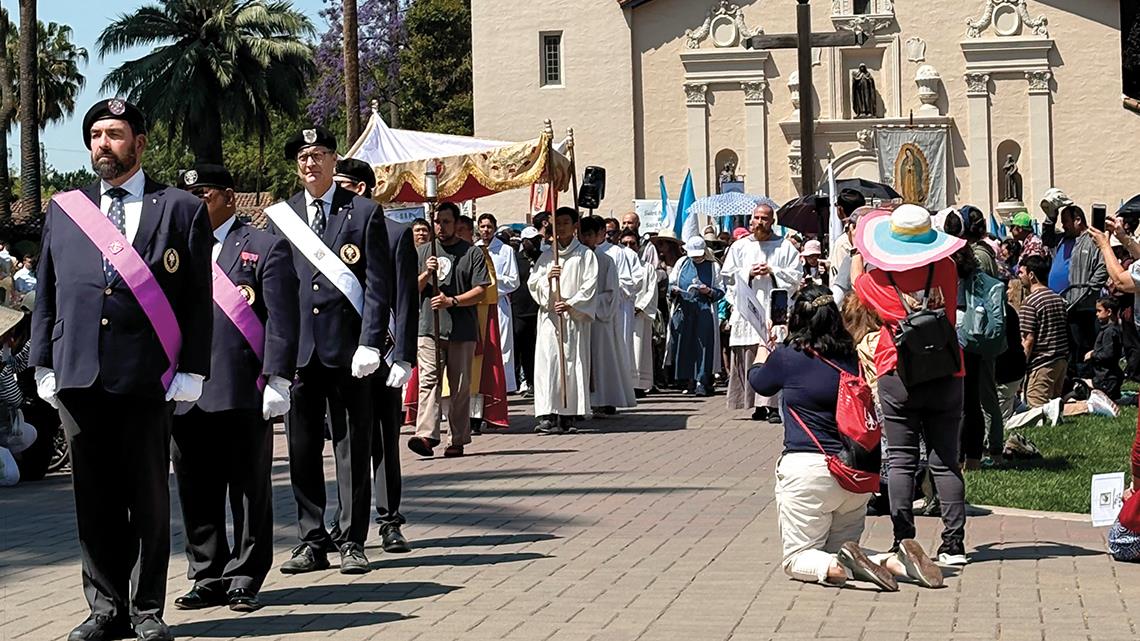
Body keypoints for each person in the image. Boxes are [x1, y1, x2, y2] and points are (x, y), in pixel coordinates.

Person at [31, 98, 214, 641]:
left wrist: (193, 369)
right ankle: (105, 608)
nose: (101, 144)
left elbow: (197, 299)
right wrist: (42, 362)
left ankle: (147, 609)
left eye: (113, 133)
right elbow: (47, 291)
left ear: (140, 141)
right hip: (78, 373)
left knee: (148, 496)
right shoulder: (65, 209)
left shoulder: (179, 208)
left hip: (147, 374)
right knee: (94, 496)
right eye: (94, 135)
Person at [749, 285, 943, 591]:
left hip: (809, 471)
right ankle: (896, 562)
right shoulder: (849, 355)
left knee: (798, 558)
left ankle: (839, 567)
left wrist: (764, 349)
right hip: (854, 474)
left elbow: (760, 383)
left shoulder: (789, 356)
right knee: (842, 547)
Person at [169, 164, 298, 613]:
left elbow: (282, 319)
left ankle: (245, 573)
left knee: (248, 488)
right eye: (189, 196)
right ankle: (207, 573)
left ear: (228, 196)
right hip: (185, 391)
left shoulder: (263, 247)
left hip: (243, 386)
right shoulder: (174, 247)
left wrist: (278, 377)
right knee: (194, 487)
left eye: (202, 194)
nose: (194, 203)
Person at [268, 126, 392, 576]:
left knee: (353, 446)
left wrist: (371, 342)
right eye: (303, 157)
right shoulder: (280, 218)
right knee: (300, 449)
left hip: (348, 351)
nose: (310, 163)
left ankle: (353, 539)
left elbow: (380, 286)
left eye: (318, 154)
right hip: (299, 353)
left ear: (334, 160)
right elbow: (276, 289)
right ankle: (310, 538)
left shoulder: (363, 213)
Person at [852, 204, 969, 566]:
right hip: (948, 371)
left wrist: (860, 250)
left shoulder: (877, 281)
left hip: (897, 372)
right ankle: (954, 545)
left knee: (901, 460)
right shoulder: (946, 268)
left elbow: (855, 278)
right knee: (945, 459)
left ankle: (904, 540)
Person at [331, 158, 417, 553]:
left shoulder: (397, 232)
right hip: (340, 354)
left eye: (343, 184)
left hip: (381, 353)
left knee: (384, 438)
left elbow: (404, 298)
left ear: (361, 188)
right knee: (345, 441)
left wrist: (403, 355)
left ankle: (388, 519)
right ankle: (344, 519)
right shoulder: (325, 231)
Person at [407, 202, 490, 458]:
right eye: (437, 221)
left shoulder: (472, 253)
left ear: (456, 224)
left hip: (461, 329)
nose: (441, 227)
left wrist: (452, 301)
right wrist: (426, 274)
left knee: (459, 386)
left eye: (446, 221)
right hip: (429, 327)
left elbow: (480, 290)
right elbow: (411, 289)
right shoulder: (422, 252)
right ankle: (426, 435)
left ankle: (458, 437)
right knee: (428, 381)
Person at [720, 201, 803, 423]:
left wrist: (773, 271)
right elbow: (727, 276)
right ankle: (756, 404)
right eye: (756, 217)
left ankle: (773, 405)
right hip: (749, 308)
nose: (759, 222)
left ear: (772, 221)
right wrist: (748, 272)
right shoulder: (739, 247)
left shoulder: (785, 247)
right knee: (749, 356)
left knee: (773, 354)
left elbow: (796, 277)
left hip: (774, 309)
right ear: (750, 220)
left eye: (764, 218)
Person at [528, 207, 598, 434]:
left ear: (575, 225)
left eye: (566, 222)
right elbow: (533, 283)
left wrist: (571, 303)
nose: (562, 227)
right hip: (550, 318)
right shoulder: (548, 255)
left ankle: (568, 414)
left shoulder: (585, 255)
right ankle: (547, 413)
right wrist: (547, 280)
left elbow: (590, 286)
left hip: (572, 318)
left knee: (571, 363)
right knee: (549, 364)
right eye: (557, 223)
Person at [1042, 204, 1107, 380]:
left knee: (1082, 346)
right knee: (1067, 347)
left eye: (1066, 222)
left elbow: (1103, 266)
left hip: (1082, 306)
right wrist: (1051, 215)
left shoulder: (1093, 239)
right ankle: (1069, 380)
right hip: (1062, 306)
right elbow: (1046, 238)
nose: (1063, 226)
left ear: (1078, 220)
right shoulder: (1062, 240)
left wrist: (1089, 288)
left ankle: (1084, 381)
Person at [579, 216, 636, 411]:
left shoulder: (606, 260)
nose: (585, 239)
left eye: (589, 235)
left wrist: (588, 303)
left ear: (598, 236)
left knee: (601, 360)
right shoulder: (575, 258)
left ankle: (603, 399)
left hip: (598, 318)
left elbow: (612, 293)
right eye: (582, 235)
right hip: (578, 319)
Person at [670, 237, 724, 396]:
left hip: (704, 309)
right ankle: (688, 380)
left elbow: (721, 290)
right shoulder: (682, 263)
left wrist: (708, 291)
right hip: (685, 308)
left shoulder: (714, 266)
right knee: (686, 344)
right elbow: (672, 282)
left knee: (704, 345)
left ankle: (703, 380)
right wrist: (674, 290)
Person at [1018, 255, 1070, 408]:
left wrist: (1021, 367)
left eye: (1021, 273)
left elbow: (1028, 339)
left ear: (1031, 275)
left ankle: (1089, 406)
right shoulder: (1057, 298)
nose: (1019, 277)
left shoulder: (1030, 302)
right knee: (1054, 408)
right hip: (1060, 361)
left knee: (1038, 411)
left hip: (1042, 365)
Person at [476, 213, 520, 393]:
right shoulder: (474, 249)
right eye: (482, 226)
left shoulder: (505, 250)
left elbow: (513, 280)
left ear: (494, 228)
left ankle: (505, 385)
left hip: (499, 302)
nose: (486, 230)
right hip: (478, 303)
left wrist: (492, 282)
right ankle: (484, 383)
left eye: (489, 227)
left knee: (503, 344)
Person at [622, 228, 658, 394]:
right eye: (625, 244)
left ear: (638, 246)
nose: (629, 247)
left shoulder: (647, 268)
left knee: (638, 348)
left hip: (639, 315)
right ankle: (622, 382)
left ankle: (637, 385)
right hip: (621, 314)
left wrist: (639, 306)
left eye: (632, 243)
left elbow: (651, 290)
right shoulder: (618, 267)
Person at [513, 227, 541, 395]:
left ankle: (535, 381)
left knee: (535, 348)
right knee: (521, 348)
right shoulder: (516, 259)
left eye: (537, 239)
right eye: (531, 240)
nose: (535, 242)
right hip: (519, 309)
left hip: (537, 309)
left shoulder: (542, 258)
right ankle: (522, 381)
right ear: (524, 241)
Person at [1086, 297, 1124, 400]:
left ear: (1109, 312)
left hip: (1107, 379)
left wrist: (1092, 355)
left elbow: (1108, 354)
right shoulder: (1110, 329)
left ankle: (1135, 399)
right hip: (1107, 378)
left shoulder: (1110, 332)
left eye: (1099, 311)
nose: (1096, 314)